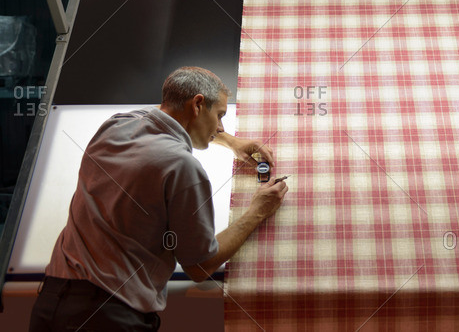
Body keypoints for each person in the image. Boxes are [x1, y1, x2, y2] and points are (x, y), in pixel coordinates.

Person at [29, 66, 287, 331]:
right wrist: (258, 210)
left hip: (51, 303)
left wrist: (229, 141)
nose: (221, 126)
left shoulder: (116, 124)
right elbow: (199, 267)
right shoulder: (183, 167)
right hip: (108, 317)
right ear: (198, 104)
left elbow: (166, 111)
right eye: (219, 115)